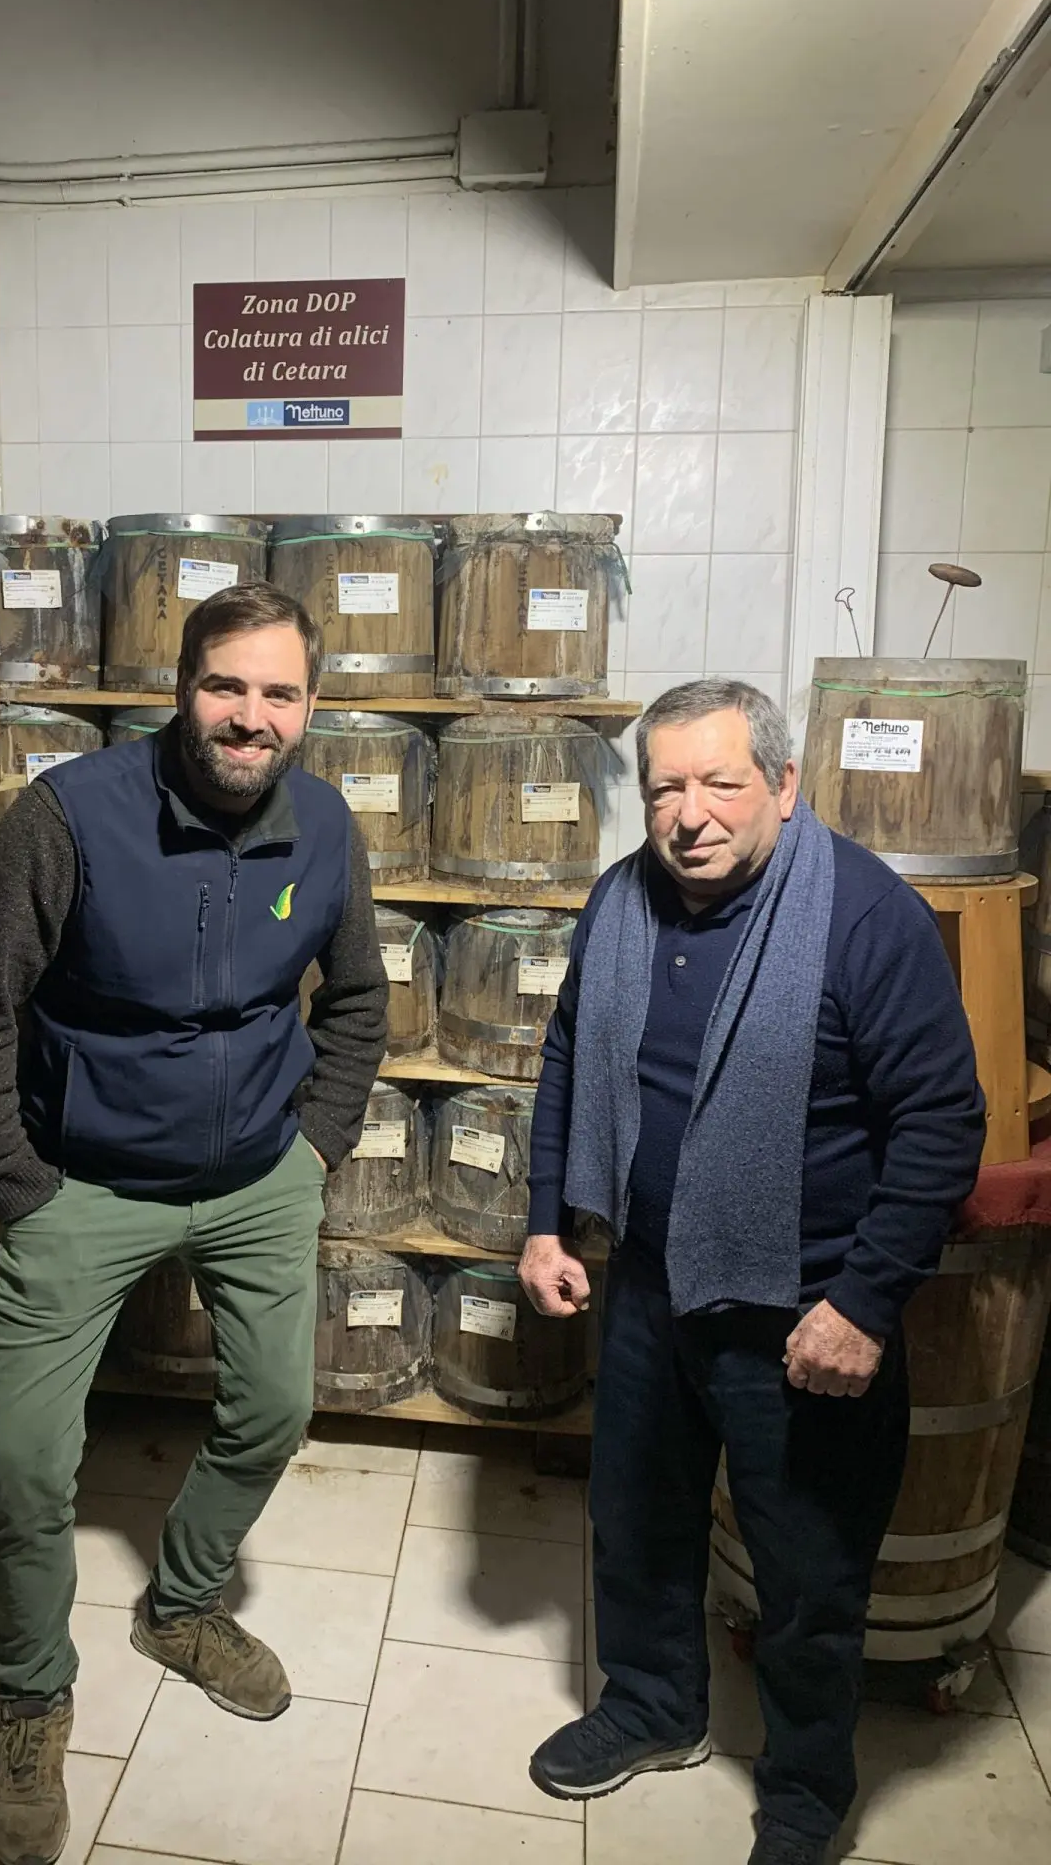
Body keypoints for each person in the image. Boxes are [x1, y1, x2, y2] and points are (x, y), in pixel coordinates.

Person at [0, 583, 387, 1865]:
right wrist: (16, 1183)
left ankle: (180, 1605)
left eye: (279, 693)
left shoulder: (325, 828)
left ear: (310, 706)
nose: (250, 716)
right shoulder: (70, 817)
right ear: (182, 689)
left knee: (275, 1409)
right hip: (84, 1186)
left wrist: (316, 1147)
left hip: (258, 1178)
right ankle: (31, 1700)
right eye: (227, 686)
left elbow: (357, 1001)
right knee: (24, 1460)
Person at [519, 678, 985, 1865]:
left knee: (810, 1574)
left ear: (782, 783)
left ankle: (805, 1793)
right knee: (636, 1525)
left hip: (804, 1312)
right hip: (649, 1285)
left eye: (721, 783)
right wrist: (546, 1222)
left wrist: (863, 1305)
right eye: (666, 788)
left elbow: (941, 1123)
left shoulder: (866, 918)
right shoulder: (619, 901)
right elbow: (567, 1054)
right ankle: (653, 1708)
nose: (690, 815)